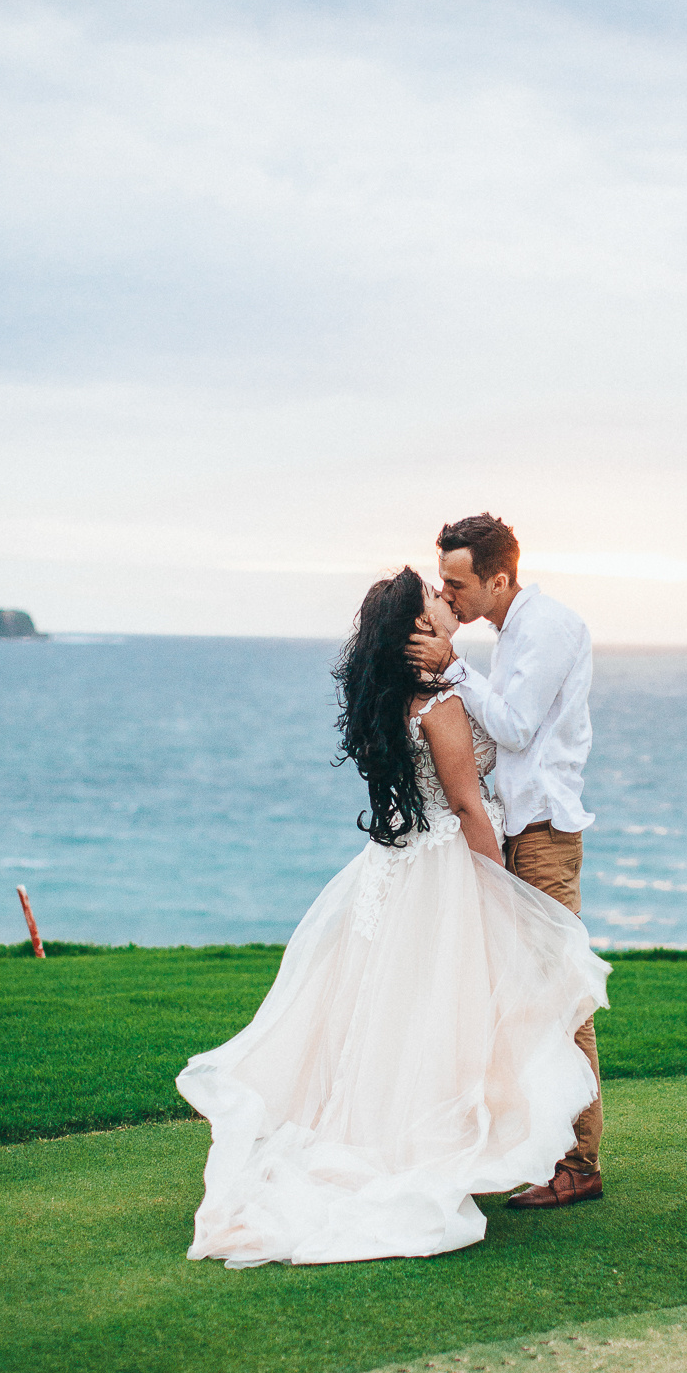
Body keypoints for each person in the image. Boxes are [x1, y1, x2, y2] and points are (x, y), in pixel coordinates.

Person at [175, 565, 607, 1268]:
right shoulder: (438, 706)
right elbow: (469, 805)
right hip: (448, 867)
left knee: (404, 1017)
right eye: (436, 597)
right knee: (448, 1012)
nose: (446, 601)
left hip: (401, 865)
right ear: (416, 629)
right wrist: (498, 892)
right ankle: (483, 1150)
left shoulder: (392, 702)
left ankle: (442, 1137)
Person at [405, 513, 604, 1210]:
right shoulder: (513, 631)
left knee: (560, 990)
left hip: (544, 834)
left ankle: (578, 1162)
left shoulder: (546, 628)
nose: (448, 595)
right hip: (519, 829)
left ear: (499, 578)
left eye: (457, 584)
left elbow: (515, 726)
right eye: (442, 582)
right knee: (522, 994)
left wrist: (453, 669)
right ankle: (537, 1146)